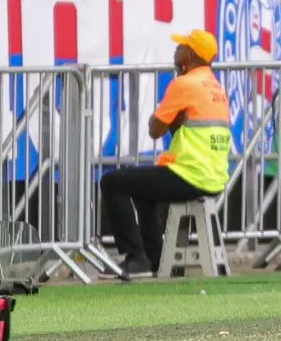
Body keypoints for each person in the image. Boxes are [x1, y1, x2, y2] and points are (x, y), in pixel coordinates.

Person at [99, 29, 231, 276]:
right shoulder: (216, 88)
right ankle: (156, 260)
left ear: (190, 55)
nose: (175, 50)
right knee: (144, 192)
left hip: (189, 174)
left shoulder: (184, 84)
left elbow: (154, 130)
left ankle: (135, 256)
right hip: (213, 177)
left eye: (180, 46)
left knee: (112, 182)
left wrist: (167, 119)